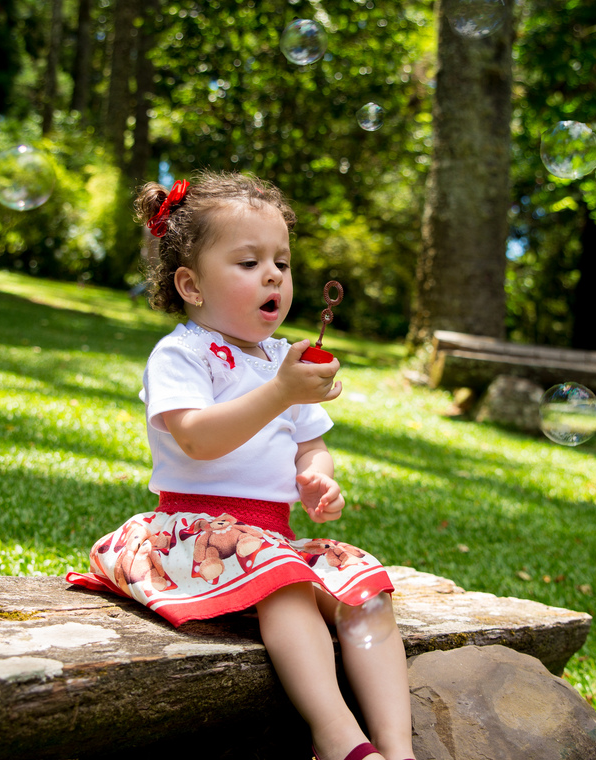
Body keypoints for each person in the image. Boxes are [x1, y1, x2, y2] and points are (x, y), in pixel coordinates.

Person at [66, 171, 415, 760]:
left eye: (281, 261)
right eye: (249, 262)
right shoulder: (183, 353)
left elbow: (310, 443)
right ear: (192, 285)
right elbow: (198, 440)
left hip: (270, 538)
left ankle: (397, 749)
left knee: (365, 596)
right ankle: (338, 741)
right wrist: (280, 392)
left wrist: (319, 476)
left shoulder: (285, 361)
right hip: (193, 535)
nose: (274, 275)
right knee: (289, 589)